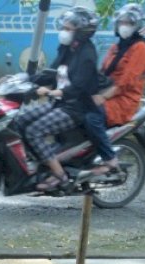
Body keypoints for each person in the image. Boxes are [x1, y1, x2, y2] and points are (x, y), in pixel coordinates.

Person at [16, 7, 101, 191]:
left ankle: (61, 177)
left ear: (81, 32)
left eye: (68, 28)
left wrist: (55, 92)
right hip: (59, 103)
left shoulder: (87, 54)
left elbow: (79, 87)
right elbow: (51, 73)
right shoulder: (68, 49)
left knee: (34, 131)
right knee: (20, 120)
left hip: (76, 109)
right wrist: (24, 79)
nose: (63, 31)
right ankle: (37, 163)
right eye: (63, 27)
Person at [83, 3, 145, 178]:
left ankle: (110, 158)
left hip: (123, 100)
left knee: (91, 117)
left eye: (129, 22)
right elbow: (103, 72)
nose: (124, 26)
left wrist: (102, 96)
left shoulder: (141, 47)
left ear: (138, 25)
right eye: (121, 22)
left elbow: (127, 81)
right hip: (107, 94)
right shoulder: (116, 47)